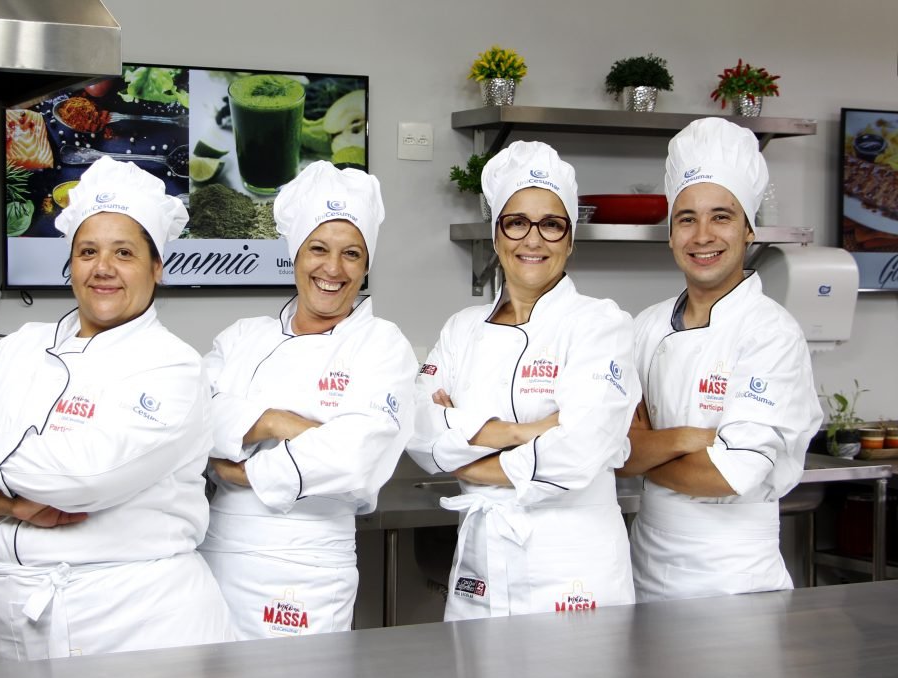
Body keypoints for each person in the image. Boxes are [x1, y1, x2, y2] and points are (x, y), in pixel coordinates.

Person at [0, 156, 232, 661]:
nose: (102, 268)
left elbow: (86, 475)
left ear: (157, 267)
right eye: (88, 251)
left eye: (124, 253)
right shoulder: (21, 346)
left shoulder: (172, 365)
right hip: (10, 626)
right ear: (71, 263)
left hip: (135, 626)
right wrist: (5, 504)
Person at [407, 141, 640, 620]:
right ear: (496, 236)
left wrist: (468, 460)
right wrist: (525, 432)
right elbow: (417, 428)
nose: (532, 240)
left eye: (552, 224)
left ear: (570, 239)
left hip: (574, 569)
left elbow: (578, 452)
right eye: (516, 222)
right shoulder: (461, 328)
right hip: (480, 569)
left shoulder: (601, 324)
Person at [199, 161, 416, 639]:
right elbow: (194, 424)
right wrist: (277, 422)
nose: (332, 269)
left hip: (308, 568)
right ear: (296, 254)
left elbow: (357, 459)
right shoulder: (241, 338)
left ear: (365, 265)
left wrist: (244, 468)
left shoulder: (382, 345)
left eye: (351, 254)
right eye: (318, 249)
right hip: (216, 554)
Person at [622, 117, 823, 602]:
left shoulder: (770, 332)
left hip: (736, 577)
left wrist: (645, 450)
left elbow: (730, 475)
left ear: (749, 230)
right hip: (643, 568)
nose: (702, 235)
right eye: (686, 218)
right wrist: (692, 440)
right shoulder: (644, 328)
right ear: (670, 235)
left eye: (722, 216)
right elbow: (613, 448)